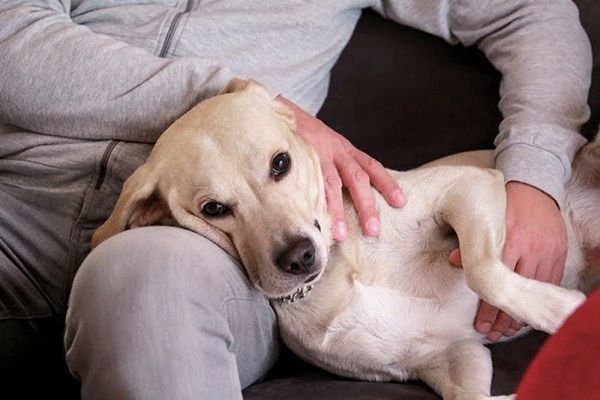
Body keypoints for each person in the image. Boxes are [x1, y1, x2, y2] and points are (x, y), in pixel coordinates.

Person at [0, 0, 591, 398]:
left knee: (144, 278)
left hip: (197, 255)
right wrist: (237, 99)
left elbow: (530, 11)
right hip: (18, 210)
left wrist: (534, 173)